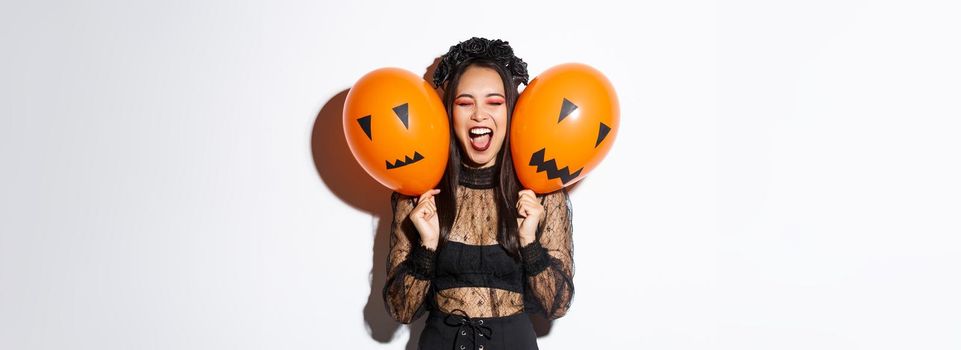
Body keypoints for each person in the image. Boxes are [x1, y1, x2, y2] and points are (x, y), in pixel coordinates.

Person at [383, 37, 574, 350]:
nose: (479, 115)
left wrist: (529, 243)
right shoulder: (420, 193)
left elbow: (557, 305)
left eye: (494, 102)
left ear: (511, 111)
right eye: (465, 102)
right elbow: (400, 310)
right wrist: (426, 247)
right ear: (448, 113)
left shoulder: (540, 191)